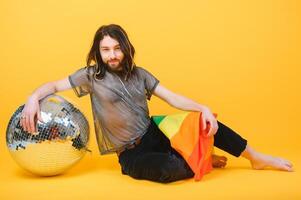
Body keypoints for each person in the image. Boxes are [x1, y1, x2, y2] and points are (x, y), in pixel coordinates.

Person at [20, 24, 293, 183]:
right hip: (131, 154)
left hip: (156, 131)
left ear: (125, 48)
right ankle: (201, 158)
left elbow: (172, 97)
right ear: (98, 52)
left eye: (117, 48)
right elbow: (55, 86)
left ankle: (256, 158)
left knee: (206, 122)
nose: (112, 55)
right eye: (106, 50)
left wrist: (204, 108)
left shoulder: (140, 74)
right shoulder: (91, 76)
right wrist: (34, 97)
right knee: (168, 170)